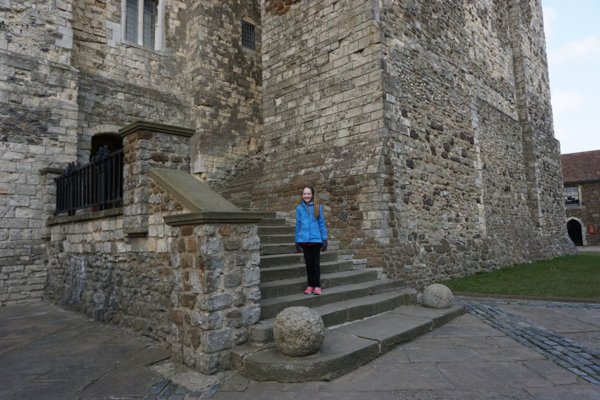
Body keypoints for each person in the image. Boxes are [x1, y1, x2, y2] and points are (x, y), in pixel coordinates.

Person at [295, 186, 328, 295]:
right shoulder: (299, 209)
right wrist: (296, 240)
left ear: (312, 195)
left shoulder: (318, 207)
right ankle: (310, 285)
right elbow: (298, 224)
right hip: (304, 241)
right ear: (302, 195)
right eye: (305, 194)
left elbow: (321, 224)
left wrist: (325, 239)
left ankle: (317, 285)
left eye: (308, 194)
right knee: (308, 264)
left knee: (315, 264)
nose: (306, 196)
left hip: (316, 241)